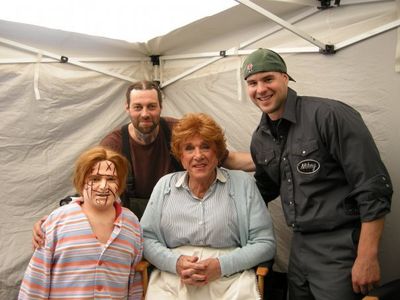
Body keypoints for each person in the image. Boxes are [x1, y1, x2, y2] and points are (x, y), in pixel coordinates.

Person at [241, 48, 393, 300]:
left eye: (268, 79)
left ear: (285, 78)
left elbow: (374, 186)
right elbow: (264, 189)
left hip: (340, 245)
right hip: (298, 246)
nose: (260, 89)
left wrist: (367, 256)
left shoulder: (329, 115)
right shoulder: (261, 137)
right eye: (252, 83)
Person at [33, 80, 255, 248]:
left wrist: (270, 161)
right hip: (133, 226)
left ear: (160, 107)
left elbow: (227, 158)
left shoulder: (178, 131)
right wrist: (55, 218)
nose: (145, 114)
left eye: (151, 106)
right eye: (138, 107)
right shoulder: (115, 143)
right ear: (127, 108)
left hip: (177, 226)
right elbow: (92, 185)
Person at [140, 113, 276, 300]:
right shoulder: (165, 186)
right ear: (181, 155)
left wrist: (221, 266)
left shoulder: (242, 184)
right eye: (189, 148)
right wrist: (176, 263)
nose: (198, 156)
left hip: (231, 277)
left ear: (218, 152)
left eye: (205, 147)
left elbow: (265, 243)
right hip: (174, 277)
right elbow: (146, 238)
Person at [19, 146, 143, 299]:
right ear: (82, 180)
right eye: (95, 179)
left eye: (111, 179)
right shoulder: (57, 222)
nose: (103, 186)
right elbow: (36, 280)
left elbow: (133, 281)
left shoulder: (132, 225)